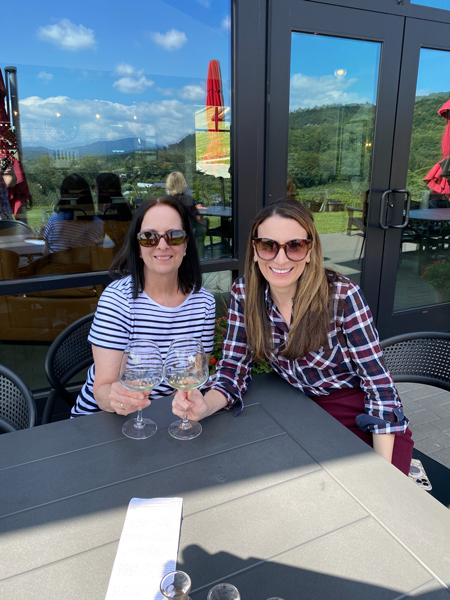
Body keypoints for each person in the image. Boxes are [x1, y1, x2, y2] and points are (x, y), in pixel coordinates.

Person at [172, 199, 414, 475]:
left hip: (356, 411)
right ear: (254, 250)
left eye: (295, 246)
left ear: (310, 251)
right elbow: (233, 368)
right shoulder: (245, 293)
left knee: (381, 494)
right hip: (295, 408)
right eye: (268, 245)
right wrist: (204, 406)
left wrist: (383, 470)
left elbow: (379, 386)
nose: (281, 258)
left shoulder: (343, 296)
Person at [72, 196, 216, 416]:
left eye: (174, 236)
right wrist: (120, 400)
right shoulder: (117, 300)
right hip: (104, 419)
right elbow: (102, 391)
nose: (162, 245)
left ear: (186, 244)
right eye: (149, 237)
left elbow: (194, 376)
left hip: (166, 416)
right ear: (138, 247)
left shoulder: (204, 302)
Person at [43, 174, 104, 255]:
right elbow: (99, 253)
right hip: (85, 267)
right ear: (87, 196)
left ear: (63, 196)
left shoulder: (54, 221)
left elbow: (45, 253)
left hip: (57, 266)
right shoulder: (99, 224)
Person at [166, 171, 208, 256]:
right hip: (187, 230)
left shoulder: (166, 200)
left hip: (172, 231)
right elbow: (196, 216)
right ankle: (200, 255)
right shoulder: (187, 199)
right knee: (203, 226)